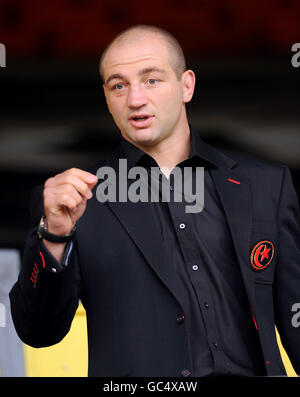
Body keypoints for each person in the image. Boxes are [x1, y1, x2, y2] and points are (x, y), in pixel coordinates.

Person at [9, 25, 300, 377]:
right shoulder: (73, 201)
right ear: (107, 97)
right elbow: (39, 332)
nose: (135, 99)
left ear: (186, 85)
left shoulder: (266, 185)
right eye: (119, 85)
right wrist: (54, 236)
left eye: (151, 80)